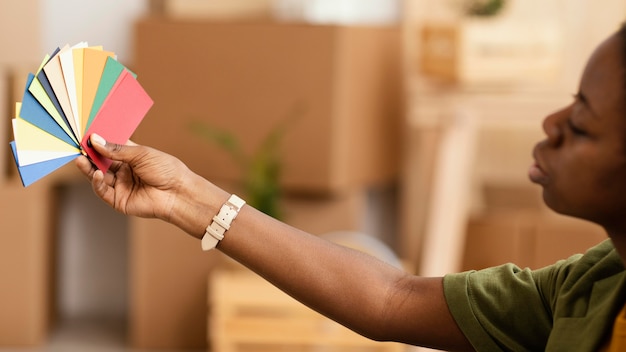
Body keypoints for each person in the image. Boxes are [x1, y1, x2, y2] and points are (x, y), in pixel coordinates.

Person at [76, 23, 626, 351]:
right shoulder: (589, 286)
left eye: (580, 124)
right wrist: (186, 197)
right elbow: (392, 300)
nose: (550, 124)